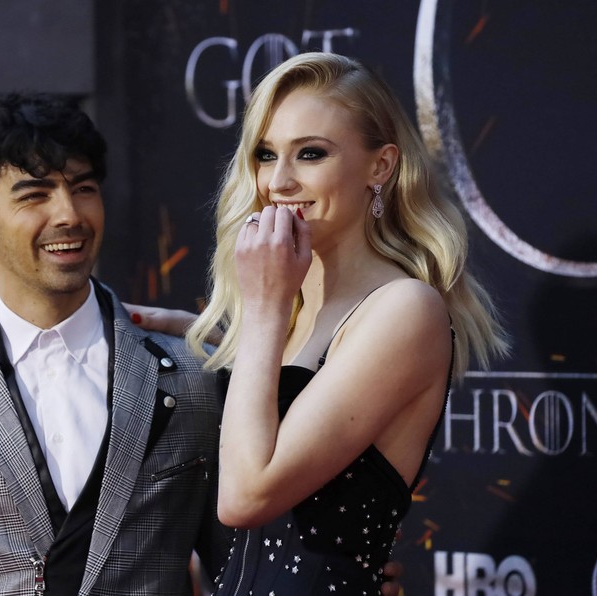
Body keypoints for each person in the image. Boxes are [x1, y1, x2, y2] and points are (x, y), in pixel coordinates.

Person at [130, 52, 508, 595]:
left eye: (310, 154)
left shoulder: (404, 310)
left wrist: (262, 309)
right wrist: (212, 341)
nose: (279, 181)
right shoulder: (283, 316)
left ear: (381, 166)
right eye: (265, 155)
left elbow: (246, 496)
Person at [0, 93, 230, 595]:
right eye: (34, 195)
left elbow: (244, 572)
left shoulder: (195, 373)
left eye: (83, 188)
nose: (68, 214)